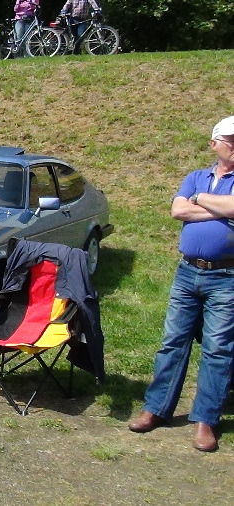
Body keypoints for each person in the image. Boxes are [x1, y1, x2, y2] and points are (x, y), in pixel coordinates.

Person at [127, 116, 234, 452]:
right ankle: (156, 408)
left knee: (218, 349)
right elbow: (177, 211)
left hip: (227, 277)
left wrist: (198, 200)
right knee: (173, 341)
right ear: (214, 144)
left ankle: (206, 420)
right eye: (231, 140)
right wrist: (219, 209)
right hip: (187, 273)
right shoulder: (195, 177)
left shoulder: (198, 188)